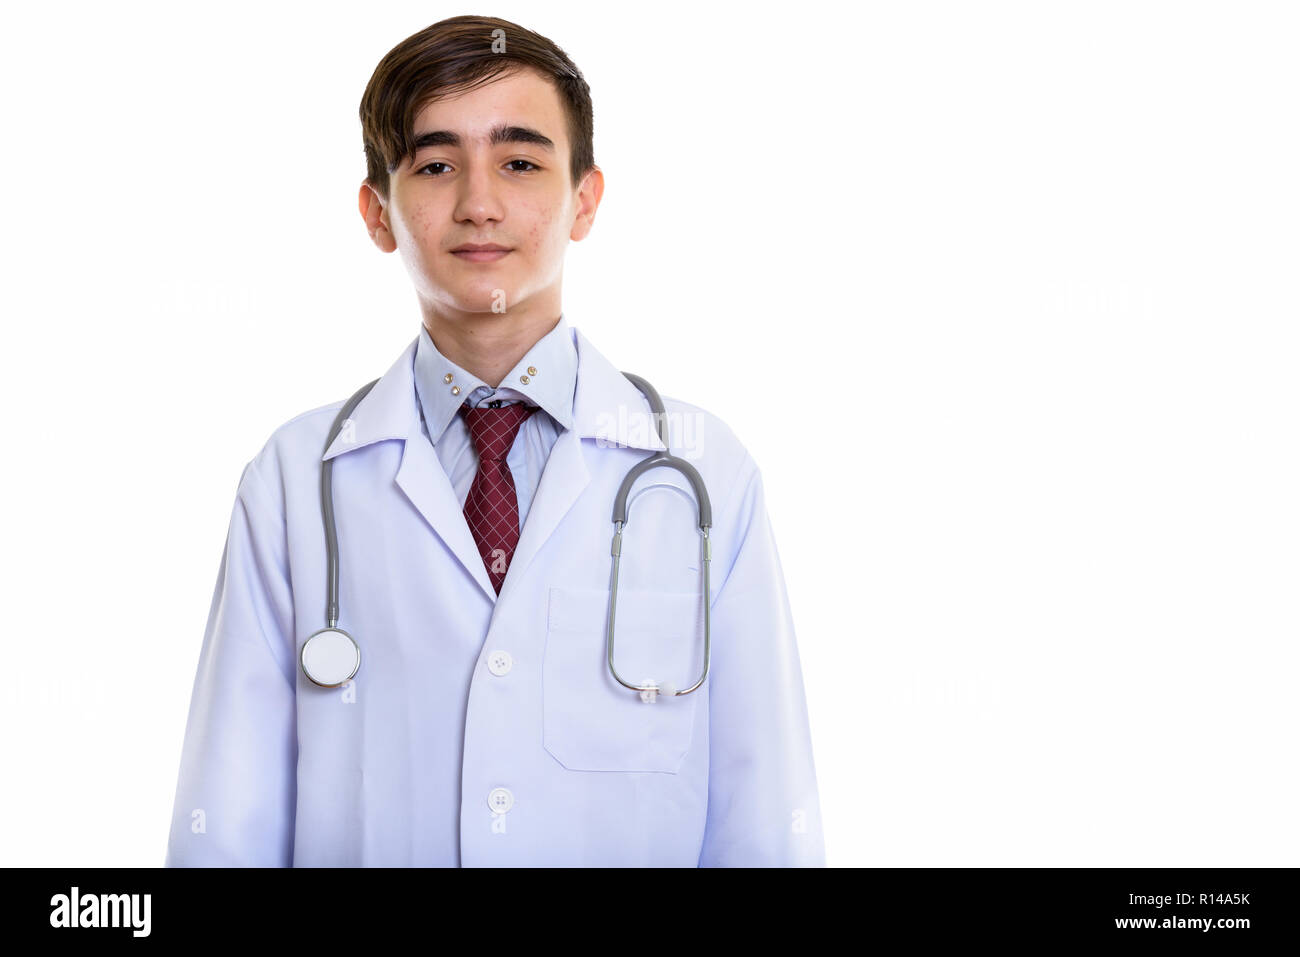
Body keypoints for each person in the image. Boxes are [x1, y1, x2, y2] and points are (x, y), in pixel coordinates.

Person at [165, 14, 824, 867]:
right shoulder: (295, 480)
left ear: (584, 199)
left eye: (520, 162)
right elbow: (229, 814)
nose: (479, 203)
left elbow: (765, 816)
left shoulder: (703, 471)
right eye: (436, 165)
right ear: (378, 213)